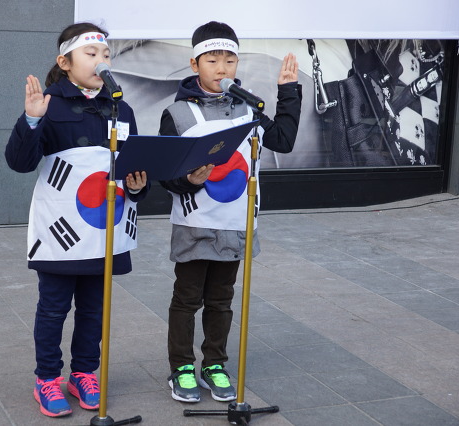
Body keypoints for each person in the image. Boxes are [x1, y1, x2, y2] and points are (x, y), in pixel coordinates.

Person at [5, 22, 148, 418]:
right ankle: (47, 378)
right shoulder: (49, 104)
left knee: (93, 309)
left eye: (105, 55)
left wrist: (138, 187)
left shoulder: (122, 108)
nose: (100, 62)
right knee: (53, 308)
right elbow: (19, 163)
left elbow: (135, 175)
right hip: (61, 232)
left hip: (105, 230)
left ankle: (84, 373)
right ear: (64, 62)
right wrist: (31, 121)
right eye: (91, 54)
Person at [158, 21, 301, 403]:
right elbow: (166, 177)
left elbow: (282, 141)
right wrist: (189, 178)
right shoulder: (177, 113)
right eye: (213, 59)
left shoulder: (248, 106)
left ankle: (215, 364)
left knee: (222, 298)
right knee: (187, 297)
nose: (222, 68)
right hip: (194, 223)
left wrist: (288, 92)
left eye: (229, 59)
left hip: (236, 222)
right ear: (195, 64)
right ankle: (182, 368)